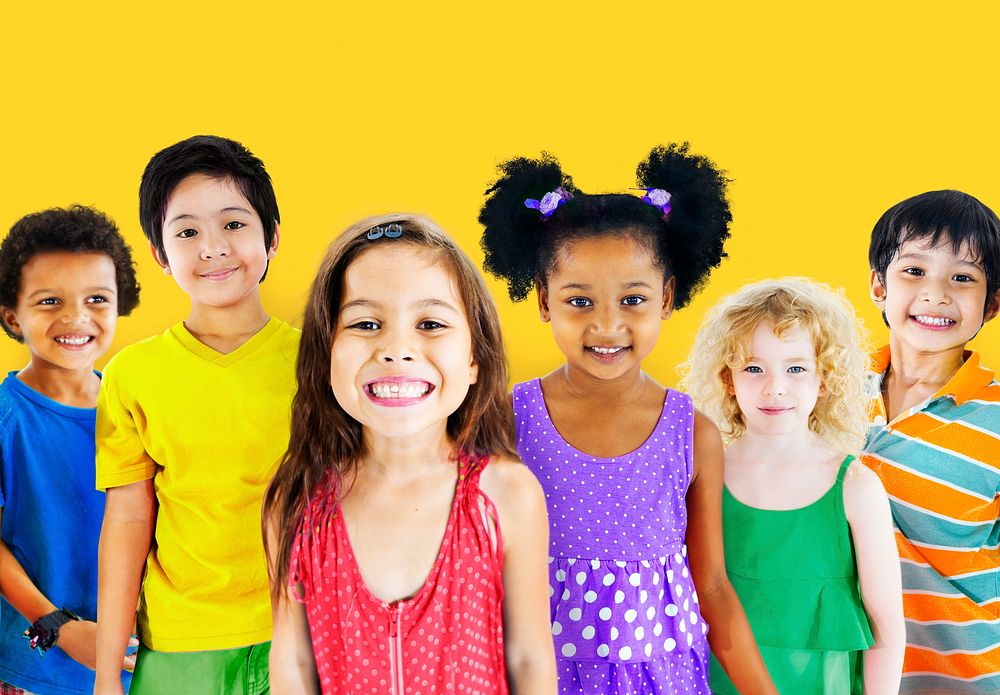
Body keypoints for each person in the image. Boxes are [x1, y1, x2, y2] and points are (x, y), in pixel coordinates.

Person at [479, 144, 776, 694]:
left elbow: (711, 585)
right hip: (538, 673)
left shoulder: (692, 433)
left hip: (660, 676)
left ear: (667, 297)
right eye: (579, 302)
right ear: (543, 301)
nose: (608, 325)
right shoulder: (506, 419)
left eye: (633, 300)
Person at [264, 214, 556, 694]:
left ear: (475, 359)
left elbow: (529, 657)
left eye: (430, 323)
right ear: (325, 356)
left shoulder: (505, 494)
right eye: (365, 323)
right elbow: (294, 659)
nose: (396, 348)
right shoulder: (297, 501)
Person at [93, 135, 299, 695]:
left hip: (306, 629)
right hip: (181, 642)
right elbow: (128, 518)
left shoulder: (323, 359)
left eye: (234, 224)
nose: (213, 248)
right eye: (187, 232)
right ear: (161, 255)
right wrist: (107, 671)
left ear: (272, 238)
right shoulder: (131, 374)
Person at [682, 277, 905, 694]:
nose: (775, 386)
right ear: (728, 379)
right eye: (753, 367)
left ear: (825, 379)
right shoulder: (702, 476)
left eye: (796, 368)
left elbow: (887, 627)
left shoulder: (857, 487)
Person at [862, 190, 1000, 694]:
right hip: (843, 677)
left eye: (963, 277)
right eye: (914, 271)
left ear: (992, 304)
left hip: (960, 682)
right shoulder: (820, 393)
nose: (936, 294)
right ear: (879, 286)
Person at [0, 206, 139, 695]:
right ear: (12, 315)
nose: (75, 318)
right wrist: (60, 626)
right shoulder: (6, 419)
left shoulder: (134, 408)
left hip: (132, 666)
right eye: (49, 300)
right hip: (35, 672)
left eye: (97, 298)